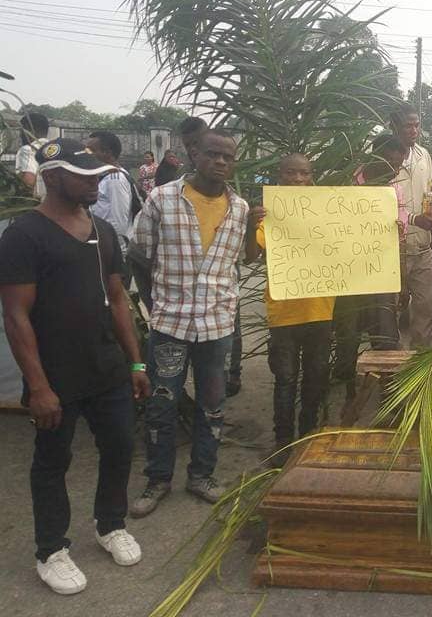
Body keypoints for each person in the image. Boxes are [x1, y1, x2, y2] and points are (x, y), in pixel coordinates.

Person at [0, 138, 151, 594]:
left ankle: (110, 524)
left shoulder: (102, 230)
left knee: (121, 447)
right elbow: (16, 315)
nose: (94, 181)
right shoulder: (24, 235)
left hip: (106, 368)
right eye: (82, 175)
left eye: (97, 175)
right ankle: (51, 550)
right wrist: (39, 386)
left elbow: (119, 298)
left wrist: (136, 362)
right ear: (51, 176)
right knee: (52, 462)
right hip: (56, 374)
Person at [129, 130, 251, 516]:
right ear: (194, 154)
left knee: (213, 406)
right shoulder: (162, 199)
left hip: (217, 326)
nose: (220, 162)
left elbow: (240, 261)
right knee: (162, 404)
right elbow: (139, 256)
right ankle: (158, 479)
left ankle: (202, 475)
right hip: (171, 324)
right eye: (213, 154)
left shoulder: (240, 208)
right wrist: (156, 304)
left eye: (227, 157)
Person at [245, 154, 334, 459]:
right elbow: (250, 256)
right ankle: (282, 442)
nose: (298, 179)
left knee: (317, 375)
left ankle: (307, 437)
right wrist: (250, 225)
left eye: (304, 173)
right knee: (285, 379)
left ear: (312, 176)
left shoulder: (329, 210)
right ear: (280, 175)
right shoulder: (271, 213)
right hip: (284, 310)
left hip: (321, 309)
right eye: (291, 173)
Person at [333, 134, 408, 411]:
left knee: (386, 335)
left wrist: (402, 279)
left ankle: (387, 395)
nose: (394, 171)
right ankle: (349, 393)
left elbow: (398, 237)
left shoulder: (394, 191)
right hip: (348, 274)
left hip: (381, 274)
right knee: (347, 336)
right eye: (390, 163)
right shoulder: (347, 182)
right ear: (375, 156)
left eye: (398, 167)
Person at [390, 103, 432, 348]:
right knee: (391, 311)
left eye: (416, 125)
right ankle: (390, 366)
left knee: (423, 309)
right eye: (408, 125)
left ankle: (419, 368)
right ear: (393, 126)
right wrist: (412, 219)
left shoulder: (423, 155)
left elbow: (429, 192)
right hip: (391, 248)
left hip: (421, 246)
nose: (413, 130)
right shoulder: (381, 157)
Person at [86, 131, 138, 259]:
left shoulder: (115, 179)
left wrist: (115, 254)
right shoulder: (104, 176)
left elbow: (119, 221)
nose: (87, 154)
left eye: (92, 150)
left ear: (107, 153)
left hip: (112, 252)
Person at [15, 112, 50, 198]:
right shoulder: (52, 148)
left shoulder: (28, 150)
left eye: (21, 130)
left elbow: (28, 183)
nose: (20, 135)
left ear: (28, 130)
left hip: (36, 204)